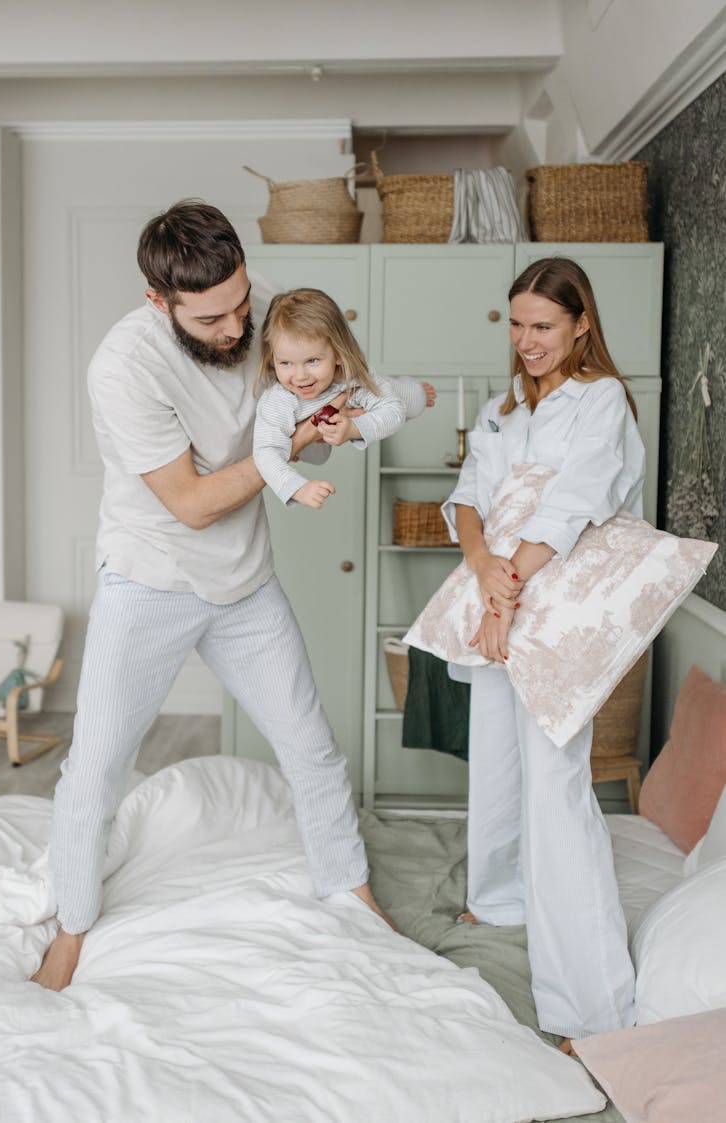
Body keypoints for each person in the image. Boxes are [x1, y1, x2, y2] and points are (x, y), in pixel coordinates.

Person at [31, 200, 393, 991]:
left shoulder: (256, 302)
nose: (237, 327)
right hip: (149, 579)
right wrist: (291, 448)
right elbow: (192, 504)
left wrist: (332, 420)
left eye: (240, 304)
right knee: (95, 769)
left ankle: (353, 894)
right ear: (159, 302)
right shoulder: (124, 367)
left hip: (245, 580)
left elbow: (308, 416)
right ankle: (70, 930)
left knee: (311, 747)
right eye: (212, 317)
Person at [441, 257, 645, 1047]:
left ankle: (590, 1006)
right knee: (495, 756)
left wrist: (506, 587)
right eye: (518, 324)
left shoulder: (603, 404)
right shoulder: (504, 411)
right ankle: (498, 898)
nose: (527, 340)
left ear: (581, 323)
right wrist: (486, 570)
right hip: (501, 597)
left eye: (545, 327)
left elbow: (570, 510)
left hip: (557, 609)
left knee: (556, 786)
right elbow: (465, 499)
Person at [254, 288, 435, 509]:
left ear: (338, 353)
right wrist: (298, 488)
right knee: (308, 451)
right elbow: (265, 452)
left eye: (312, 360)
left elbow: (393, 410)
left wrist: (353, 429)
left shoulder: (353, 377)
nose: (300, 376)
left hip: (354, 396)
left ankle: (417, 389)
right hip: (316, 439)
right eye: (286, 363)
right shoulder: (277, 400)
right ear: (273, 359)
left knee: (411, 399)